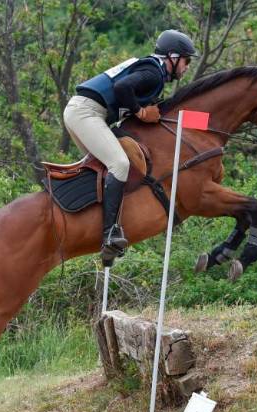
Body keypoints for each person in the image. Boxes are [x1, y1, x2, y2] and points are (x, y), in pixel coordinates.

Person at [63, 29, 198, 264]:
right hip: (87, 113)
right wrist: (141, 112)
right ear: (173, 57)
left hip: (85, 112)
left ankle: (92, 224)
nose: (187, 67)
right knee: (120, 163)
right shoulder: (153, 74)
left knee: (111, 165)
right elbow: (122, 89)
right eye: (186, 60)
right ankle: (109, 234)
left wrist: (201, 121)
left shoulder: (151, 71)